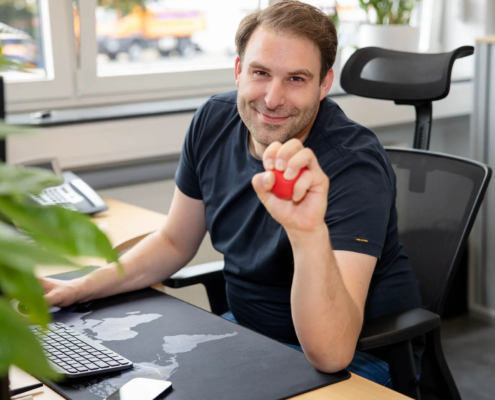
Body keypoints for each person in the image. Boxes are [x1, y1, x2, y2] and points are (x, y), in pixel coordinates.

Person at [41, 1, 422, 389]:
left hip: (359, 360)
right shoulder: (214, 119)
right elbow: (173, 242)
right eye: (261, 73)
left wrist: (307, 233)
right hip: (249, 336)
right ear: (239, 70)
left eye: (296, 79)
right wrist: (80, 288)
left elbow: (332, 352)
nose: (273, 99)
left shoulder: (352, 165)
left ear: (324, 84)